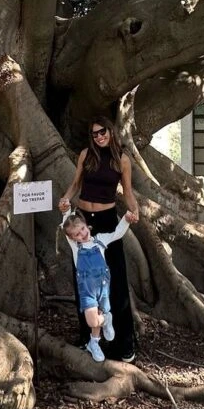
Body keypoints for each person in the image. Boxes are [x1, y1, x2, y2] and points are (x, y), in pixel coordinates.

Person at [58, 117, 140, 361]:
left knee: (115, 277)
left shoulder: (122, 160)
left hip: (106, 220)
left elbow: (127, 192)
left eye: (102, 132)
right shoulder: (86, 154)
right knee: (83, 279)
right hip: (83, 220)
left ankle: (124, 344)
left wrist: (134, 211)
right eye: (94, 134)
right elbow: (75, 184)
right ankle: (88, 339)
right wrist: (65, 199)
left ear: (111, 131)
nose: (99, 137)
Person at [61, 209, 134, 362]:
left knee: (98, 317)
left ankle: (94, 343)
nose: (82, 233)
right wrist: (66, 211)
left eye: (82, 228)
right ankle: (106, 320)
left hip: (103, 288)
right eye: (77, 234)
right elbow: (66, 225)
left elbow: (117, 233)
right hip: (87, 290)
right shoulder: (76, 248)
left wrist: (126, 219)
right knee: (93, 321)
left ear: (86, 225)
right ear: (73, 238)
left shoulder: (100, 240)